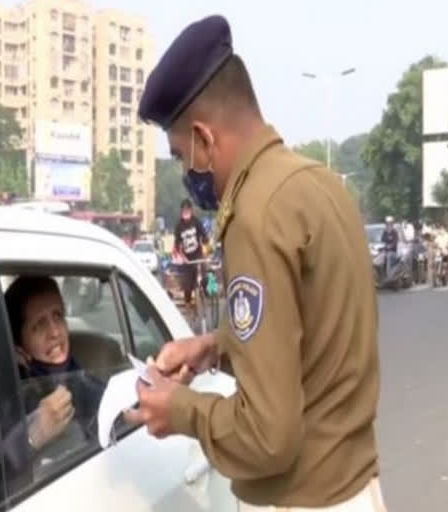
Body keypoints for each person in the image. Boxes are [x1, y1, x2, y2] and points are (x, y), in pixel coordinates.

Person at [126, 14, 386, 511]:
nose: (187, 173)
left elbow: (268, 437)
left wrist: (180, 410)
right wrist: (215, 344)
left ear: (204, 138)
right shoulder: (319, 184)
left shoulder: (254, 214)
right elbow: (314, 329)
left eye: (182, 157)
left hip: (305, 500)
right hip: (354, 489)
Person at [0, 276, 105, 469]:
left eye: (58, 316)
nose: (55, 332)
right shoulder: (6, 399)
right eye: (39, 325)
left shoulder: (87, 384)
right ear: (18, 347)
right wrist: (33, 435)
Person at [174, 198, 209, 308]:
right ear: (181, 211)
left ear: (191, 210)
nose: (186, 212)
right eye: (184, 210)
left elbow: (203, 234)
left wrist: (206, 241)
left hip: (197, 254)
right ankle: (188, 303)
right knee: (188, 285)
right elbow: (177, 243)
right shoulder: (179, 226)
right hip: (187, 258)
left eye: (187, 209)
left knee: (204, 275)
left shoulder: (196, 221)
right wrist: (181, 256)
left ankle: (205, 290)